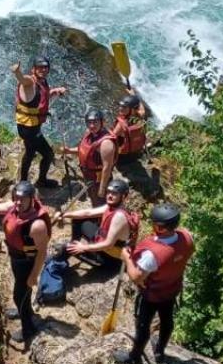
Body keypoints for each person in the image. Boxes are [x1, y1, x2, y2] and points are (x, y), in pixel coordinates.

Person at [0, 181, 51, 346]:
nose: (18, 202)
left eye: (22, 199)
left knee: (19, 294)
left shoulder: (37, 225)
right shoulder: (13, 207)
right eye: (16, 198)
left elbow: (42, 253)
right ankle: (25, 311)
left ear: (31, 199)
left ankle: (28, 328)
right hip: (15, 257)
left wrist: (34, 276)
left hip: (27, 261)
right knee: (22, 292)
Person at [116, 203, 194, 364]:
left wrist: (126, 258)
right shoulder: (187, 236)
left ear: (160, 227)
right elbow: (186, 253)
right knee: (167, 320)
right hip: (171, 289)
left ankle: (134, 357)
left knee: (143, 325)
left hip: (152, 295)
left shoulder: (153, 254)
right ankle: (159, 352)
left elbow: (136, 277)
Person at [11, 57, 68, 187]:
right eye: (39, 67)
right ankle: (41, 181)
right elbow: (23, 81)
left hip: (30, 126)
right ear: (33, 69)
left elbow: (42, 95)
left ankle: (23, 181)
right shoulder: (30, 81)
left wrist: (55, 91)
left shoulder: (42, 82)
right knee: (48, 154)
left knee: (30, 152)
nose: (43, 69)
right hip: (29, 129)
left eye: (45, 67)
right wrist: (17, 72)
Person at [61, 178, 137, 271]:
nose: (110, 195)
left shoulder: (119, 217)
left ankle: (69, 251)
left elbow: (108, 244)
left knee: (66, 247)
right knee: (78, 219)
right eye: (109, 192)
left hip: (108, 259)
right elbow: (87, 213)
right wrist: (64, 215)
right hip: (100, 241)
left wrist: (83, 247)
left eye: (114, 193)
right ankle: (73, 244)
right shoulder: (111, 207)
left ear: (124, 196)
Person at [63, 109, 117, 202]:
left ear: (102, 122)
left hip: (98, 180)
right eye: (89, 122)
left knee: (100, 201)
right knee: (93, 197)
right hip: (89, 176)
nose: (92, 125)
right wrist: (69, 151)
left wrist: (102, 189)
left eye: (95, 122)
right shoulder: (90, 134)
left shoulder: (106, 143)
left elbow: (107, 167)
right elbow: (85, 151)